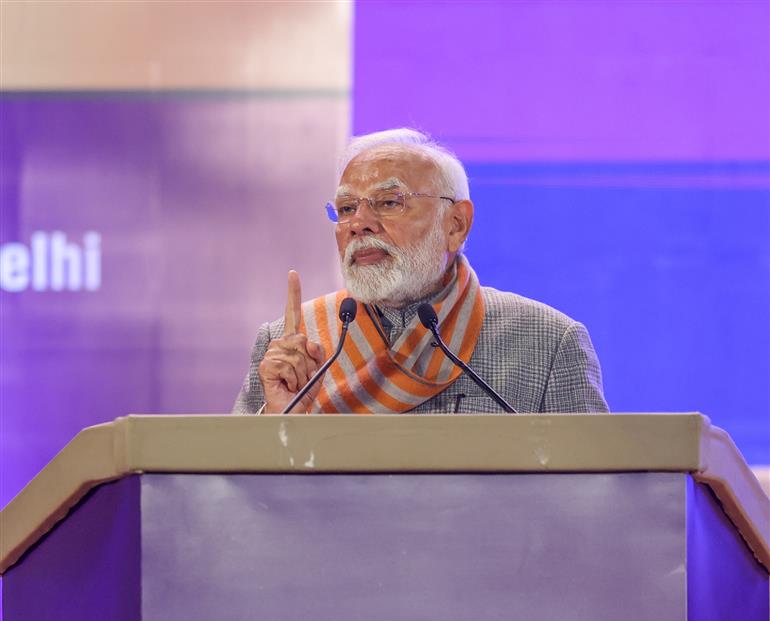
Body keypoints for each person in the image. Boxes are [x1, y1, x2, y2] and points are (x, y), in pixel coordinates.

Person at [234, 128, 608, 416]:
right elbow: (230, 499)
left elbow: (590, 500)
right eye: (346, 208)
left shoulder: (548, 343)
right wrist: (278, 425)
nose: (359, 224)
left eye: (389, 202)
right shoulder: (290, 344)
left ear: (456, 224)